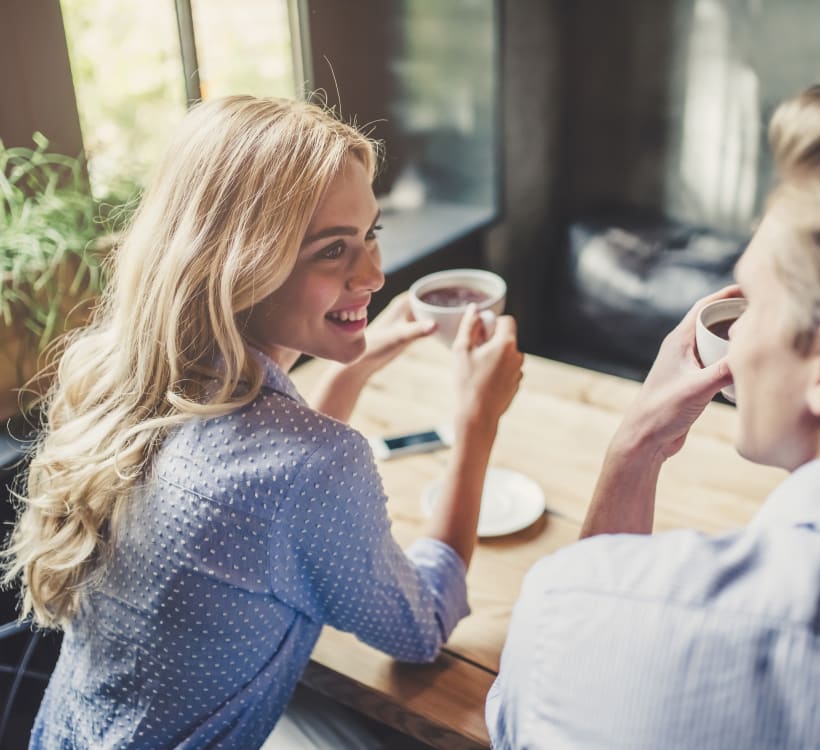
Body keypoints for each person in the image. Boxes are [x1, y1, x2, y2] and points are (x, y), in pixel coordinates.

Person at [2, 95, 523, 749]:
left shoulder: (120, 381)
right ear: (237, 265)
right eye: (333, 250)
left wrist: (350, 372)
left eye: (371, 234)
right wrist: (476, 423)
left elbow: (261, 497)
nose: (374, 274)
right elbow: (420, 628)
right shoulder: (311, 464)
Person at [487, 85, 820, 748]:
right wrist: (638, 447)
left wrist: (630, 450)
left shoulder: (580, 613)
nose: (735, 329)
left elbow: (520, 715)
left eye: (751, 300)